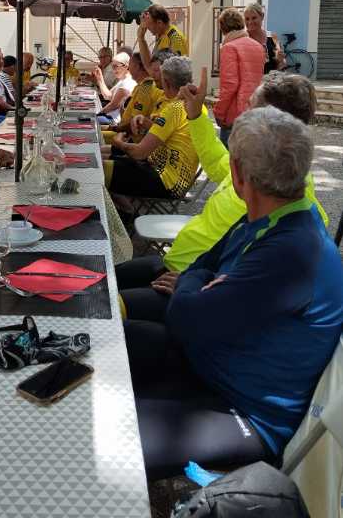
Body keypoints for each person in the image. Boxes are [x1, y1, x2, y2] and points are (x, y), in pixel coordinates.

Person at [122, 107, 343, 480]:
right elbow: (203, 265)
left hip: (245, 413)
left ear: (238, 173)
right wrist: (202, 283)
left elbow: (186, 316)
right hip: (209, 363)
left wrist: (196, 285)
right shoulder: (273, 215)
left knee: (107, 437)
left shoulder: (293, 249)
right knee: (107, 340)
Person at [116, 70, 328, 295]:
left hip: (194, 287)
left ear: (273, 121)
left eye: (250, 107)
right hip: (179, 266)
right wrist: (195, 115)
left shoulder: (285, 193)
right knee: (105, 279)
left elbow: (267, 277)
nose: (241, 114)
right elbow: (217, 161)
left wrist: (201, 283)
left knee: (107, 302)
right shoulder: (262, 162)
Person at [105, 56, 198, 198]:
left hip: (165, 181)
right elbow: (171, 132)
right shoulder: (193, 106)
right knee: (104, 162)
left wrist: (118, 142)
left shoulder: (174, 108)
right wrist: (146, 122)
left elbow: (139, 153)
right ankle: (123, 208)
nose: (155, 78)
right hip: (171, 175)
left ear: (166, 82)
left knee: (100, 169)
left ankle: (118, 209)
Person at [213, 8, 265, 147]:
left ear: (223, 28)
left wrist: (219, 112)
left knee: (230, 158)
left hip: (235, 115)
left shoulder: (229, 48)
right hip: (254, 110)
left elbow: (230, 85)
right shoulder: (258, 46)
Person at [101, 52, 163, 146]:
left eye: (130, 65)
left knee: (93, 136)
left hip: (130, 139)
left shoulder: (145, 88)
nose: (128, 68)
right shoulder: (140, 86)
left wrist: (113, 128)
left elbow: (134, 124)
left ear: (137, 66)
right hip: (124, 132)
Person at [93, 51, 136, 125]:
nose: (113, 70)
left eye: (115, 66)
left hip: (114, 120)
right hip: (110, 115)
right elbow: (108, 96)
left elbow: (113, 105)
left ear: (126, 66)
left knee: (89, 119)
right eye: (112, 66)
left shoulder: (127, 83)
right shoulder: (123, 80)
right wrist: (99, 78)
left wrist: (98, 114)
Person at [244, 2, 285, 74]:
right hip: (250, 79)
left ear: (262, 16)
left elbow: (282, 63)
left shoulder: (272, 36)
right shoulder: (242, 39)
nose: (250, 22)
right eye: (247, 19)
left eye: (254, 18)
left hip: (270, 79)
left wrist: (280, 60)